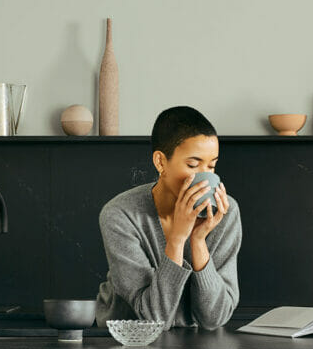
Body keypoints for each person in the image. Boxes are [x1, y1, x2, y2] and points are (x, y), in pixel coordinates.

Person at [96, 106, 241, 329]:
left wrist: (198, 242)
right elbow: (153, 319)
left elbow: (214, 319)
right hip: (124, 340)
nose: (205, 177)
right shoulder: (120, 214)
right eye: (193, 165)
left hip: (194, 343)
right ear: (160, 162)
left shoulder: (225, 212)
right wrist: (177, 240)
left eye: (211, 166)